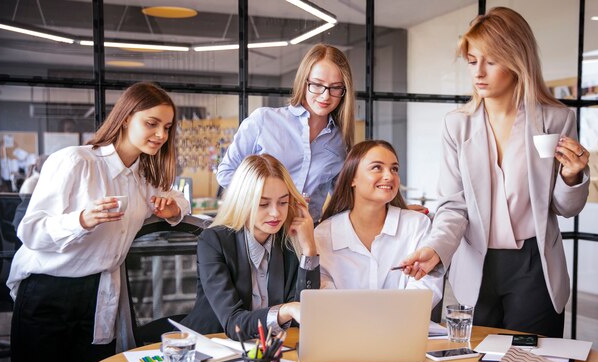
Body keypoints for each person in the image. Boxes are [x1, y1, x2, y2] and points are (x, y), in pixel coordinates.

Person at [399, 7, 590, 337]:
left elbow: (565, 208)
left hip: (535, 266)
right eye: (473, 61)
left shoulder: (556, 119)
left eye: (491, 60)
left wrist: (571, 177)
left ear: (517, 60)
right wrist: (436, 248)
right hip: (476, 262)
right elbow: (453, 207)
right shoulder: (457, 126)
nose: (478, 72)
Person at [7, 82, 190, 362]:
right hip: (48, 290)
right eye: (152, 123)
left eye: (167, 127)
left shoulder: (144, 177)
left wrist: (174, 209)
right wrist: (81, 220)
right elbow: (31, 231)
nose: (161, 135)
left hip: (100, 293)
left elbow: (180, 201)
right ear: (126, 117)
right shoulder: (76, 161)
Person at [181, 154, 320, 340]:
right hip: (212, 349)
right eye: (263, 204)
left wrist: (309, 249)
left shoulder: (289, 241)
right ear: (243, 202)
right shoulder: (213, 241)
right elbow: (233, 323)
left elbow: (303, 317)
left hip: (268, 352)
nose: (275, 213)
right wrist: (286, 310)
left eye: (283, 202)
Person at [216, 44, 355, 222]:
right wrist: (272, 199)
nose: (325, 96)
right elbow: (226, 173)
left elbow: (342, 198)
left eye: (335, 87)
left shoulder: (340, 141)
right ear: (303, 82)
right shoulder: (264, 120)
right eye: (317, 85)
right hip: (259, 230)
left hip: (307, 234)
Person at [315, 140, 442, 308]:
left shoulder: (417, 225)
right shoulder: (324, 234)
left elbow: (425, 289)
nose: (389, 176)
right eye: (377, 167)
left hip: (403, 330)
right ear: (352, 177)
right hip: (345, 331)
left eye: (394, 169)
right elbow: (324, 297)